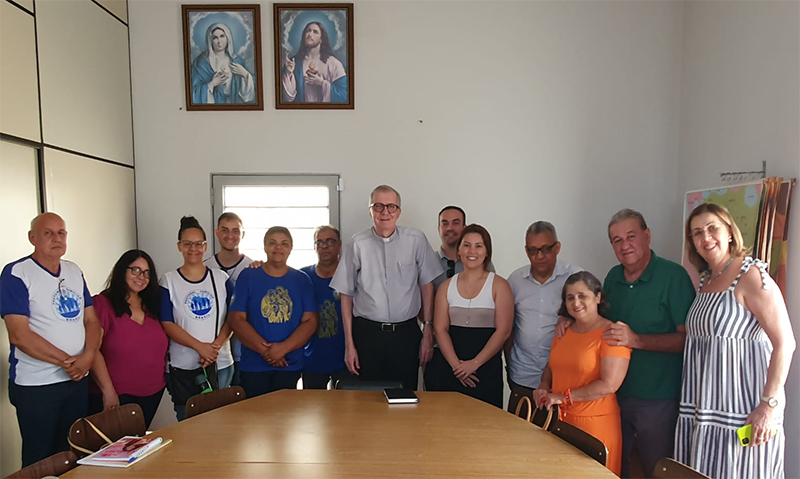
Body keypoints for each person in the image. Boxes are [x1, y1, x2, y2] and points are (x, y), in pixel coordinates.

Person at [557, 209, 695, 478]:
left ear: (647, 236)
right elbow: (598, 321)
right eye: (617, 240)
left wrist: (637, 340)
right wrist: (568, 319)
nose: (625, 245)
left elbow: (687, 340)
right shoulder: (613, 277)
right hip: (612, 396)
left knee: (656, 468)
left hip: (656, 397)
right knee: (615, 467)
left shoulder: (673, 276)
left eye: (631, 237)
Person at [675, 204, 795, 478]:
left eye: (712, 228)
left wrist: (768, 406)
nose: (706, 237)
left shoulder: (752, 275)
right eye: (697, 233)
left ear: (729, 231)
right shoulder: (706, 281)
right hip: (706, 410)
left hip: (744, 410)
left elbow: (785, 343)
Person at [0, 213, 100, 466]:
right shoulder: (17, 273)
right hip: (38, 385)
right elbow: (19, 334)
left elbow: (92, 321)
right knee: (40, 459)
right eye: (48, 233)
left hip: (76, 381)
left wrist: (88, 357)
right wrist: (69, 362)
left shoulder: (73, 271)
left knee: (73, 455)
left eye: (61, 233)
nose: (57, 238)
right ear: (32, 237)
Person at [331, 185, 442, 390]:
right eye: (378, 206)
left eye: (391, 206)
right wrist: (349, 344)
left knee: (406, 396)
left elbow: (427, 285)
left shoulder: (416, 240)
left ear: (399, 211)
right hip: (367, 335)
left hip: (406, 334)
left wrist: (428, 329)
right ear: (370, 210)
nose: (385, 212)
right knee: (368, 398)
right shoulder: (357, 244)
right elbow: (346, 294)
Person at [535, 271, 631, 476]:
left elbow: (609, 385)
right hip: (558, 422)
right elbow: (552, 366)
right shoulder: (563, 330)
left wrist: (564, 397)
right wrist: (544, 386)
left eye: (582, 296)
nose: (576, 303)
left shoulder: (612, 333)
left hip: (594, 426)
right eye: (570, 298)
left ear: (598, 297)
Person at [228, 227, 318, 398]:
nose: (278, 248)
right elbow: (236, 319)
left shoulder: (301, 280)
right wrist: (267, 351)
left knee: (285, 413)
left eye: (284, 244)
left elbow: (310, 321)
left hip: (290, 364)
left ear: (291, 248)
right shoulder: (248, 276)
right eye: (272, 243)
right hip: (254, 365)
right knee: (255, 413)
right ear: (264, 247)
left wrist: (283, 349)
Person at [429, 224, 513, 407]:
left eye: (478, 246)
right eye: (466, 245)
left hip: (485, 369)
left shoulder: (500, 285)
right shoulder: (446, 286)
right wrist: (457, 366)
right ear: (459, 250)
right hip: (451, 368)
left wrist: (474, 364)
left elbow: (504, 331)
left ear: (486, 251)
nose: (472, 251)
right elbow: (440, 329)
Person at [160, 216, 234, 421]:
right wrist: (200, 347)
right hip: (183, 366)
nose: (193, 249)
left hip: (219, 363)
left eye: (198, 244)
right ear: (179, 246)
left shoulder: (221, 278)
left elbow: (233, 318)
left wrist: (214, 348)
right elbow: (167, 323)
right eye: (187, 244)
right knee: (187, 422)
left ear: (205, 246)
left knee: (220, 422)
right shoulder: (168, 281)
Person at [504, 221, 581, 414]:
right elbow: (508, 326)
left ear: (558, 247)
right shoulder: (515, 280)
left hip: (563, 377)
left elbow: (591, 322)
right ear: (526, 250)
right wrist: (509, 366)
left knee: (558, 432)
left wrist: (569, 317)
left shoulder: (576, 277)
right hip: (522, 374)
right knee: (519, 430)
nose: (539, 256)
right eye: (533, 250)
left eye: (546, 249)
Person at [89, 250, 168, 429]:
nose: (141, 277)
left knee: (137, 443)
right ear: (122, 270)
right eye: (135, 270)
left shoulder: (153, 305)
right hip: (116, 396)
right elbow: (92, 350)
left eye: (146, 273)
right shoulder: (102, 304)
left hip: (152, 393)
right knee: (113, 445)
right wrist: (108, 391)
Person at [426, 206, 495, 391]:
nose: (450, 228)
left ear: (464, 227)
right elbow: (420, 302)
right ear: (439, 228)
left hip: (477, 353)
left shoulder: (485, 267)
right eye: (444, 223)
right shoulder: (428, 262)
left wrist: (473, 363)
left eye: (455, 223)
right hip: (438, 349)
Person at [204, 212, 253, 386]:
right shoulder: (205, 267)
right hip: (214, 352)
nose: (230, 236)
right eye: (225, 230)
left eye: (235, 231)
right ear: (217, 233)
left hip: (243, 352)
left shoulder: (253, 268)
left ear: (242, 234)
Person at [300, 226, 348, 389]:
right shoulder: (303, 277)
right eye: (319, 242)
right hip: (312, 358)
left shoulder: (351, 276)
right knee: (313, 404)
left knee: (347, 403)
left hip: (346, 359)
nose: (325, 246)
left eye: (330, 241)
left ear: (339, 245)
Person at [280, 21, 347, 103]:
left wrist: (322, 83)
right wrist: (288, 73)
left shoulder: (334, 63)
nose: (310, 34)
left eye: (315, 32)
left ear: (321, 39)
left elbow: (344, 95)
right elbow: (287, 99)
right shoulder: (294, 62)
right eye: (308, 31)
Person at [191, 22, 255, 104]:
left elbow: (253, 93)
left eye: (222, 36)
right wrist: (212, 84)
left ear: (228, 37)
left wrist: (245, 74)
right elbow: (193, 91)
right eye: (215, 38)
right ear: (210, 40)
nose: (219, 41)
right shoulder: (201, 63)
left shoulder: (237, 61)